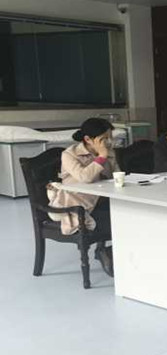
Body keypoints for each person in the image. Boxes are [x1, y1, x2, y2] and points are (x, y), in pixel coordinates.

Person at [46, 118, 118, 276]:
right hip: (79, 205)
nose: (109, 142)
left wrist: (108, 158)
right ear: (88, 139)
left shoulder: (108, 151)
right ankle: (105, 252)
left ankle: (109, 251)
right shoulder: (69, 154)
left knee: (130, 215)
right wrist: (102, 156)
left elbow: (116, 176)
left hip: (102, 199)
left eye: (110, 137)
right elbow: (84, 177)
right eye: (104, 138)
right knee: (117, 220)